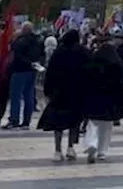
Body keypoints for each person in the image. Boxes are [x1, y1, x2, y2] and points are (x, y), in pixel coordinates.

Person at [37, 29, 89, 161]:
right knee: (74, 121)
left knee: (58, 123)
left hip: (59, 93)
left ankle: (57, 150)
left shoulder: (58, 53)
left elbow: (50, 73)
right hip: (78, 92)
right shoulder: (83, 52)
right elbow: (89, 72)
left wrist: (48, 90)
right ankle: (71, 147)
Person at [83, 38, 123, 163]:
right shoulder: (117, 64)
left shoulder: (93, 63)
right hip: (111, 99)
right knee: (107, 127)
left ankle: (92, 143)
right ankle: (102, 151)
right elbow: (121, 83)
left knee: (93, 124)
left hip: (94, 97)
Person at [5, 21, 43, 129]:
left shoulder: (21, 41)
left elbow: (15, 54)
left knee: (15, 96)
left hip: (19, 70)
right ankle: (26, 121)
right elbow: (40, 54)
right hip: (32, 70)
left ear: (24, 30)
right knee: (29, 96)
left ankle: (14, 120)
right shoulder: (37, 41)